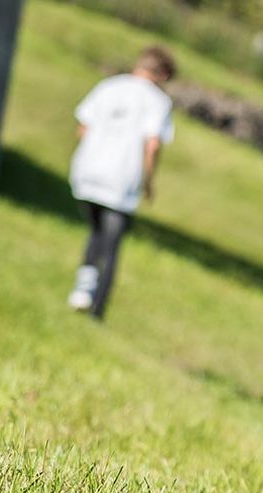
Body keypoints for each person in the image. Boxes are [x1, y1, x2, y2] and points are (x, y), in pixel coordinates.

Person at [66, 46, 176, 319]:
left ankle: (83, 289)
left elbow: (83, 127)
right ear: (163, 74)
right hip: (122, 177)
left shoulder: (109, 86)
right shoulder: (158, 102)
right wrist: (149, 181)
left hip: (88, 169)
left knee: (95, 231)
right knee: (111, 244)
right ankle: (97, 309)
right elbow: (152, 144)